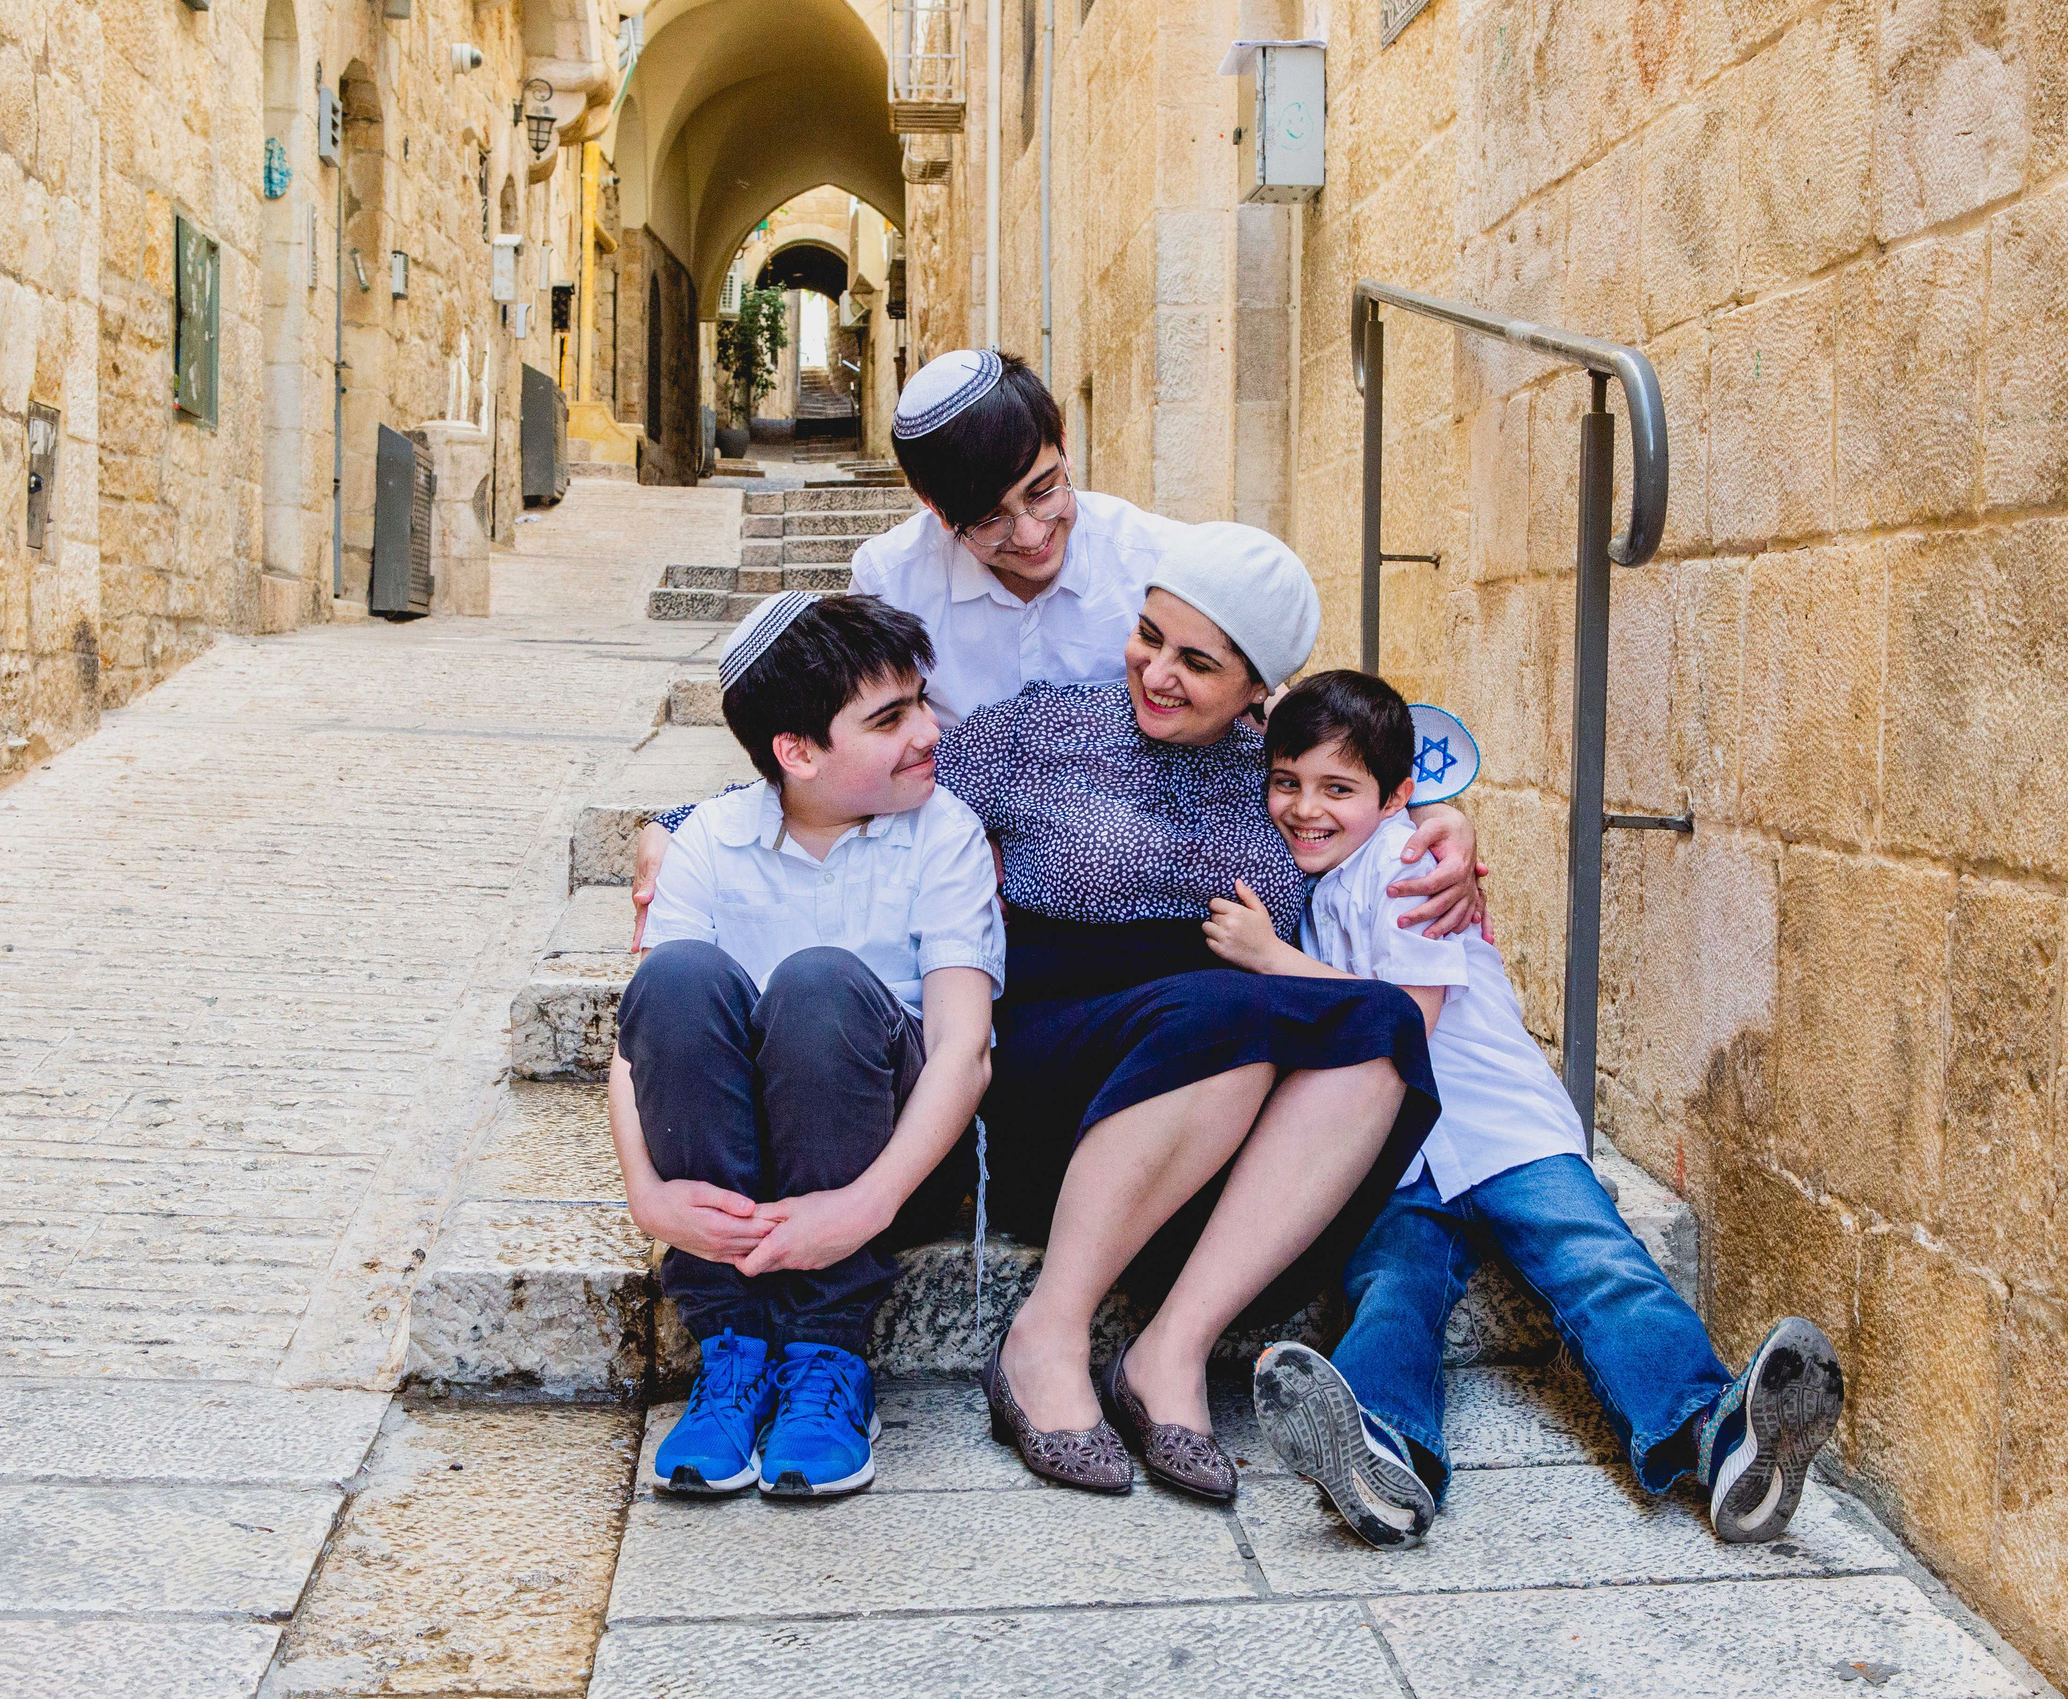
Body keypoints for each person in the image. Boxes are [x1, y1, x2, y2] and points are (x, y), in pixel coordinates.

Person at [1201, 668, 1848, 1548]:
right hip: (1398, 1155)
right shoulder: (1323, 881)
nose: (1304, 807)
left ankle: (1718, 1435)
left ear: (1395, 796)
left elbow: (1403, 1019)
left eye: (1336, 789)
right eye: (1287, 782)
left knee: (1598, 1263)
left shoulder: (1407, 863)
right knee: (1391, 1288)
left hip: (1502, 1130)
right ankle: (1380, 1448)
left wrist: (1270, 958)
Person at [632, 347, 1489, 945]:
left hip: (1152, 884)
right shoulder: (890, 578)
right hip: (962, 852)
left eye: (1045, 489)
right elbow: (845, 743)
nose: (1035, 532)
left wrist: (1425, 818)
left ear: (1066, 445)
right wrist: (681, 828)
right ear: (937, 513)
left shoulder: (1160, 562)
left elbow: (1294, 728)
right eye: (989, 520)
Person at [935, 523, 1444, 1503]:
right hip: (1054, 1070)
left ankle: (1169, 1351)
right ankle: (1045, 1335)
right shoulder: (1044, 732)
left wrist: (1443, 825)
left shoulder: (1277, 780)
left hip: (1210, 1118)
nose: (1156, 671)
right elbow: (876, 793)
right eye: (1147, 636)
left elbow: (1382, 779)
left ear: (1259, 690)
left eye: (1196, 661)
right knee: (1234, 1008)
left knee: (1379, 1025)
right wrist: (679, 837)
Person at [611, 592, 1004, 1500]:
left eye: (920, 700)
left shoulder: (942, 833)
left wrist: (865, 1204)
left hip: (885, 1157)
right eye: (889, 717)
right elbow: (637, 1052)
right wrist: (649, 1194)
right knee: (670, 980)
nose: (927, 730)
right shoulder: (709, 841)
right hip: (733, 1171)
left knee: (818, 982)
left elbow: (963, 1049)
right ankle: (734, 1351)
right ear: (798, 753)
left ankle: (827, 1355)